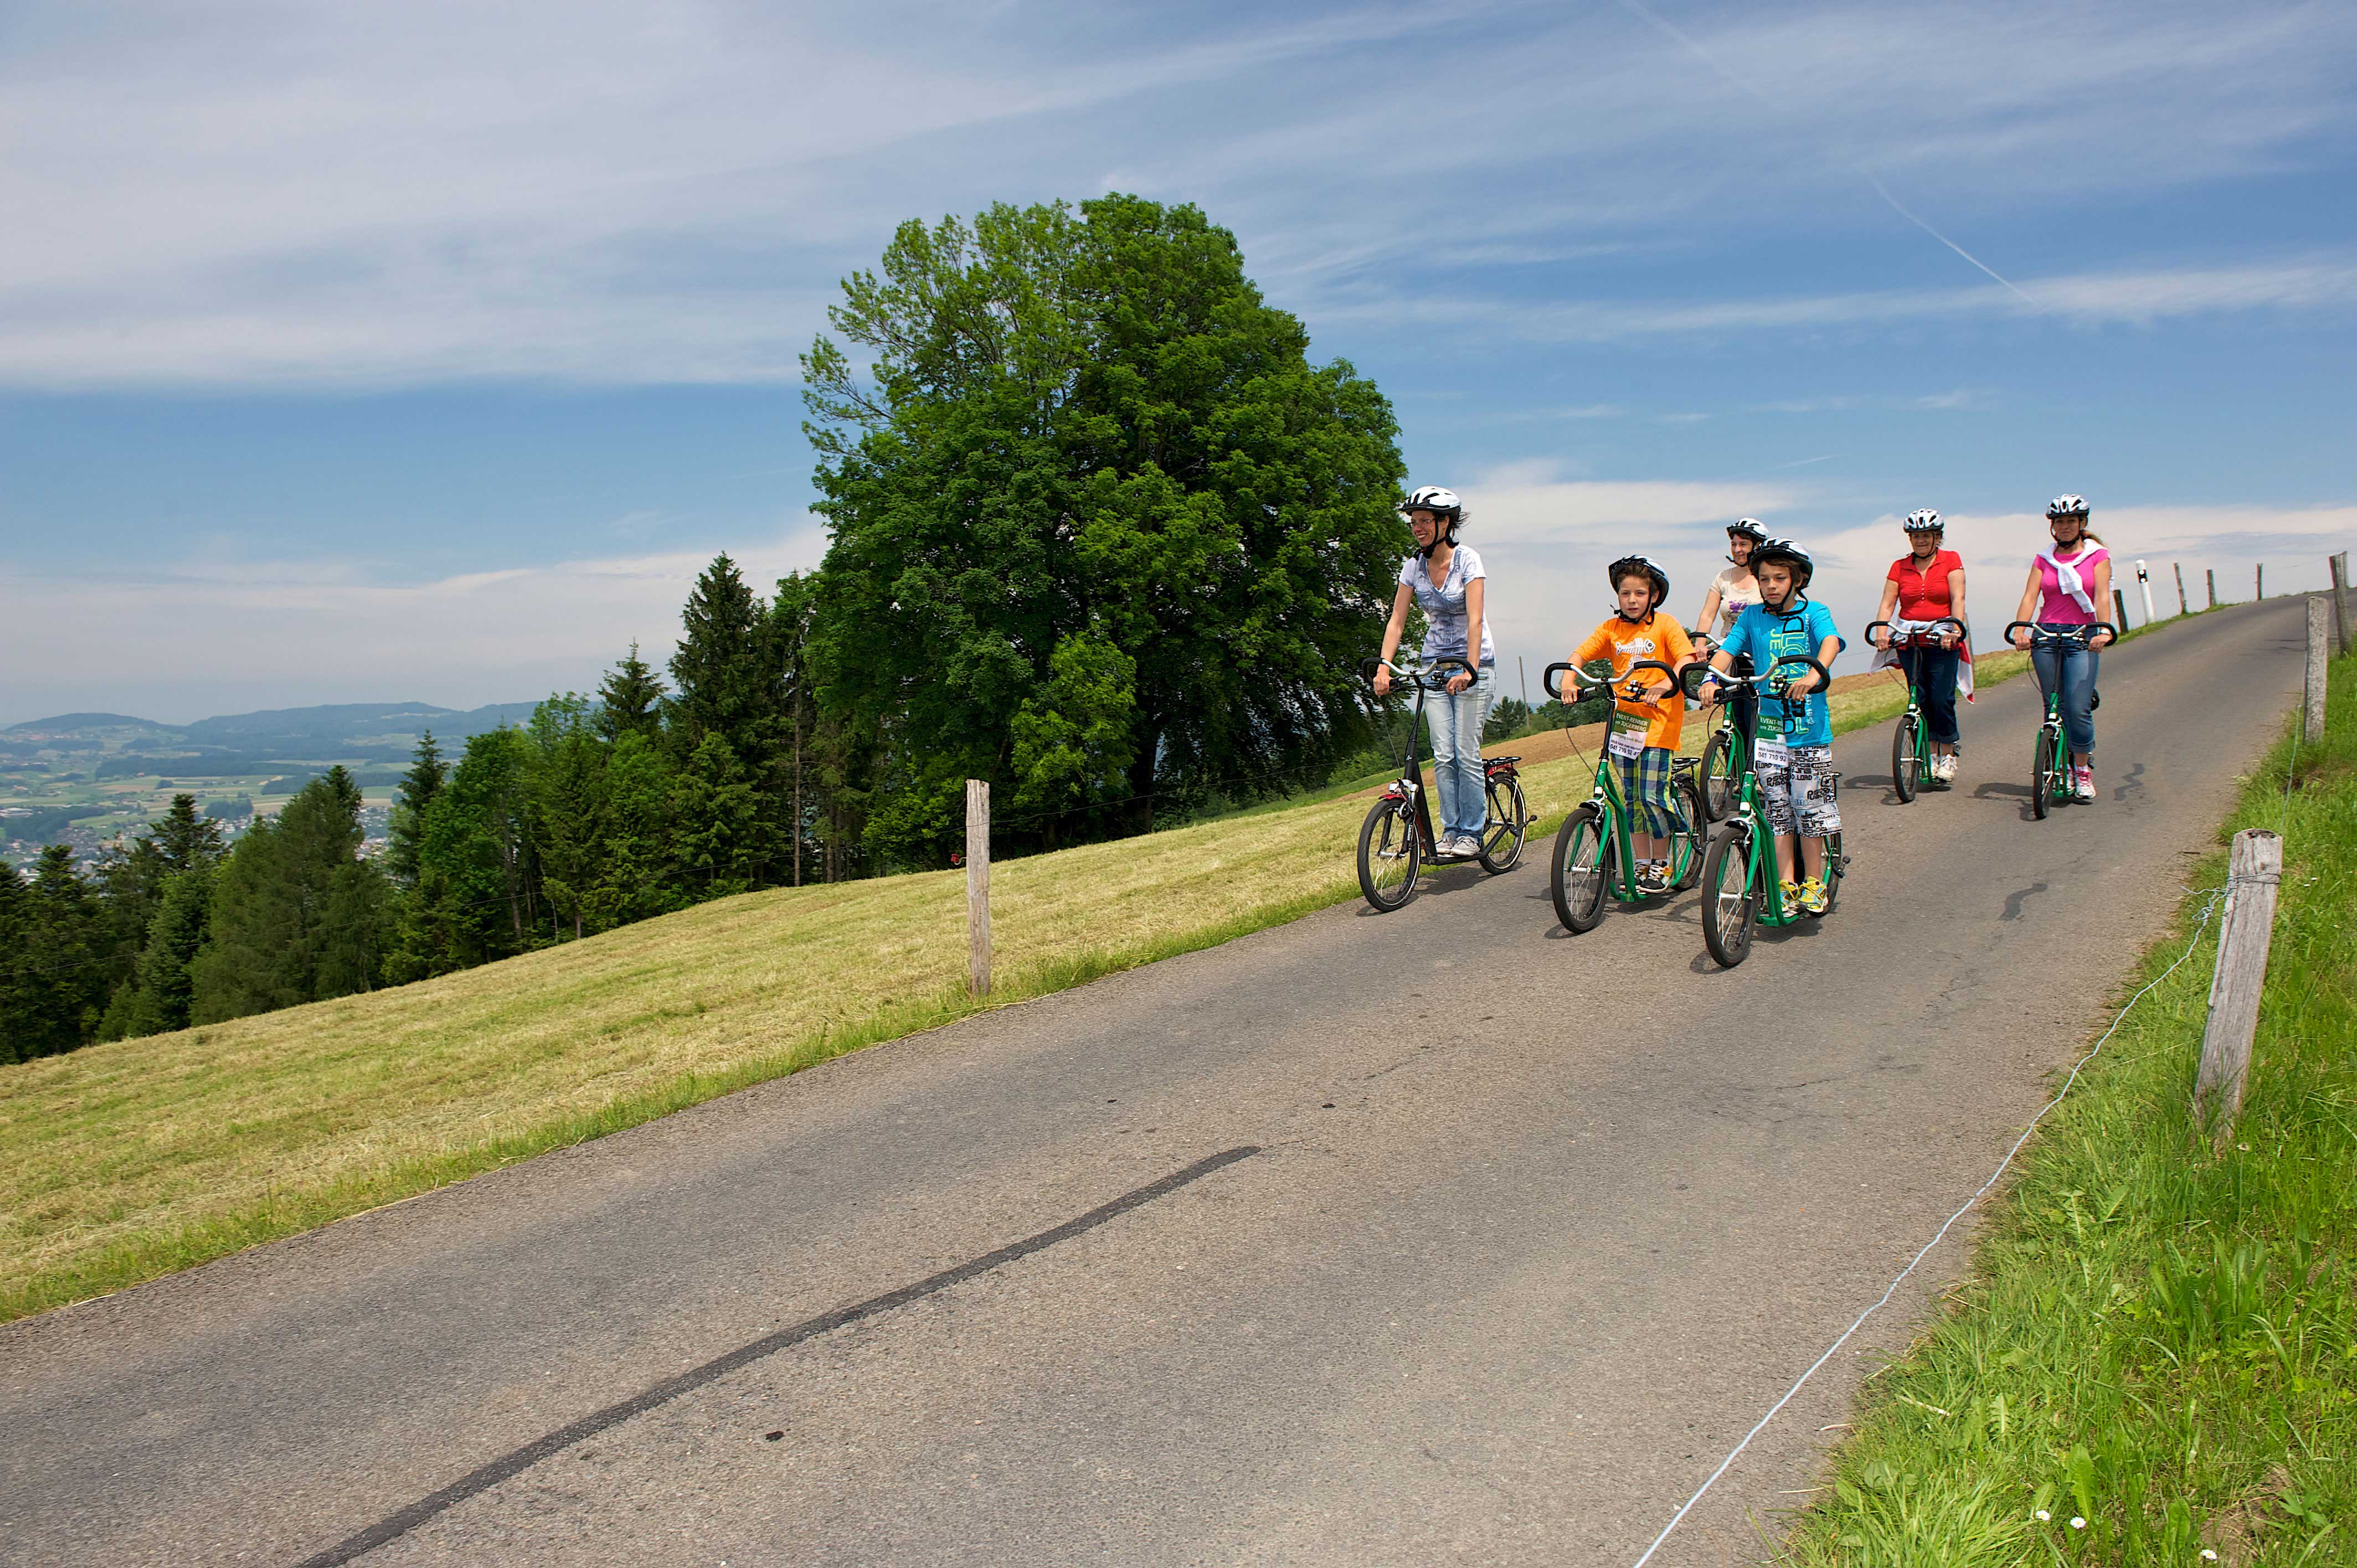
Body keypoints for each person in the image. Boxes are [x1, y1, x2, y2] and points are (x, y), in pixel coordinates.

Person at [1697, 538, 1842, 914]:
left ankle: (1814, 884)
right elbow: (1728, 649)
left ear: (1797, 580)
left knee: (1807, 809)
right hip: (1769, 732)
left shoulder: (1815, 612)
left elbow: (1830, 643)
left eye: (1780, 578)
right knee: (1777, 811)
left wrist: (1814, 674)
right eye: (1765, 579)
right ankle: (1784, 887)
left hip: (1808, 730)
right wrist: (1713, 678)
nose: (1772, 585)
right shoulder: (1752, 616)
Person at [1374, 486, 1495, 858]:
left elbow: (1475, 620)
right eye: (1414, 522)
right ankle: (1451, 831)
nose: (1418, 528)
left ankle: (1472, 833)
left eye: (1426, 521)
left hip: (1474, 664)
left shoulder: (1468, 561)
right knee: (1443, 755)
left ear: (1446, 523)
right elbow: (1397, 621)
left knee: (1464, 752)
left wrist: (1471, 670)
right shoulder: (1413, 567)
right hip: (1436, 667)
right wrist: (1384, 666)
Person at [1563, 556, 1694, 895]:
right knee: (1632, 798)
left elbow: (1685, 659)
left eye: (1639, 593)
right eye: (1625, 593)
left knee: (1652, 795)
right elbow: (1579, 655)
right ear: (1617, 596)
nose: (1632, 600)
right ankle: (1640, 864)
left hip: (1660, 724)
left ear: (1653, 596)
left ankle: (1663, 862)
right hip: (1626, 725)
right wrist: (1568, 680)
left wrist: (1665, 685)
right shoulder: (1610, 629)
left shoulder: (1665, 624)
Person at [2006, 494, 2114, 803]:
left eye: (2070, 521)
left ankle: (2081, 768)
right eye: (2059, 522)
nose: (2064, 526)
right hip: (2047, 635)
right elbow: (2030, 596)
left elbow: (2103, 596)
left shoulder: (2098, 556)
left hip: (2083, 635)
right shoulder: (2044, 559)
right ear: (2052, 526)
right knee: (2053, 706)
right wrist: (2022, 629)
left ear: (2082, 524)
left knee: (2078, 705)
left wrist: (2103, 629)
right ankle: (2060, 766)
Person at [1870, 509, 1969, 782]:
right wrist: (1882, 631)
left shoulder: (1951, 560)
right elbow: (1888, 603)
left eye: (1926, 535)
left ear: (1937, 537)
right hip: (1910, 636)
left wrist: (1955, 629)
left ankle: (1948, 753)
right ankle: (1930, 753)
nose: (1921, 540)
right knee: (1920, 697)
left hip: (1942, 636)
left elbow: (1958, 598)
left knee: (1941, 698)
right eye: (1915, 536)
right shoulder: (1899, 567)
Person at [1693, 518, 1766, 755]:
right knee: (1732, 710)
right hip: (1728, 650)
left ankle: (1758, 766)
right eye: (1734, 544)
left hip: (1757, 653)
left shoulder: (1765, 577)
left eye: (1743, 544)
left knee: (1754, 714)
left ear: (1757, 545)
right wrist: (1701, 643)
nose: (1737, 549)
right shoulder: (1723, 578)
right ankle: (1737, 769)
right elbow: (1708, 613)